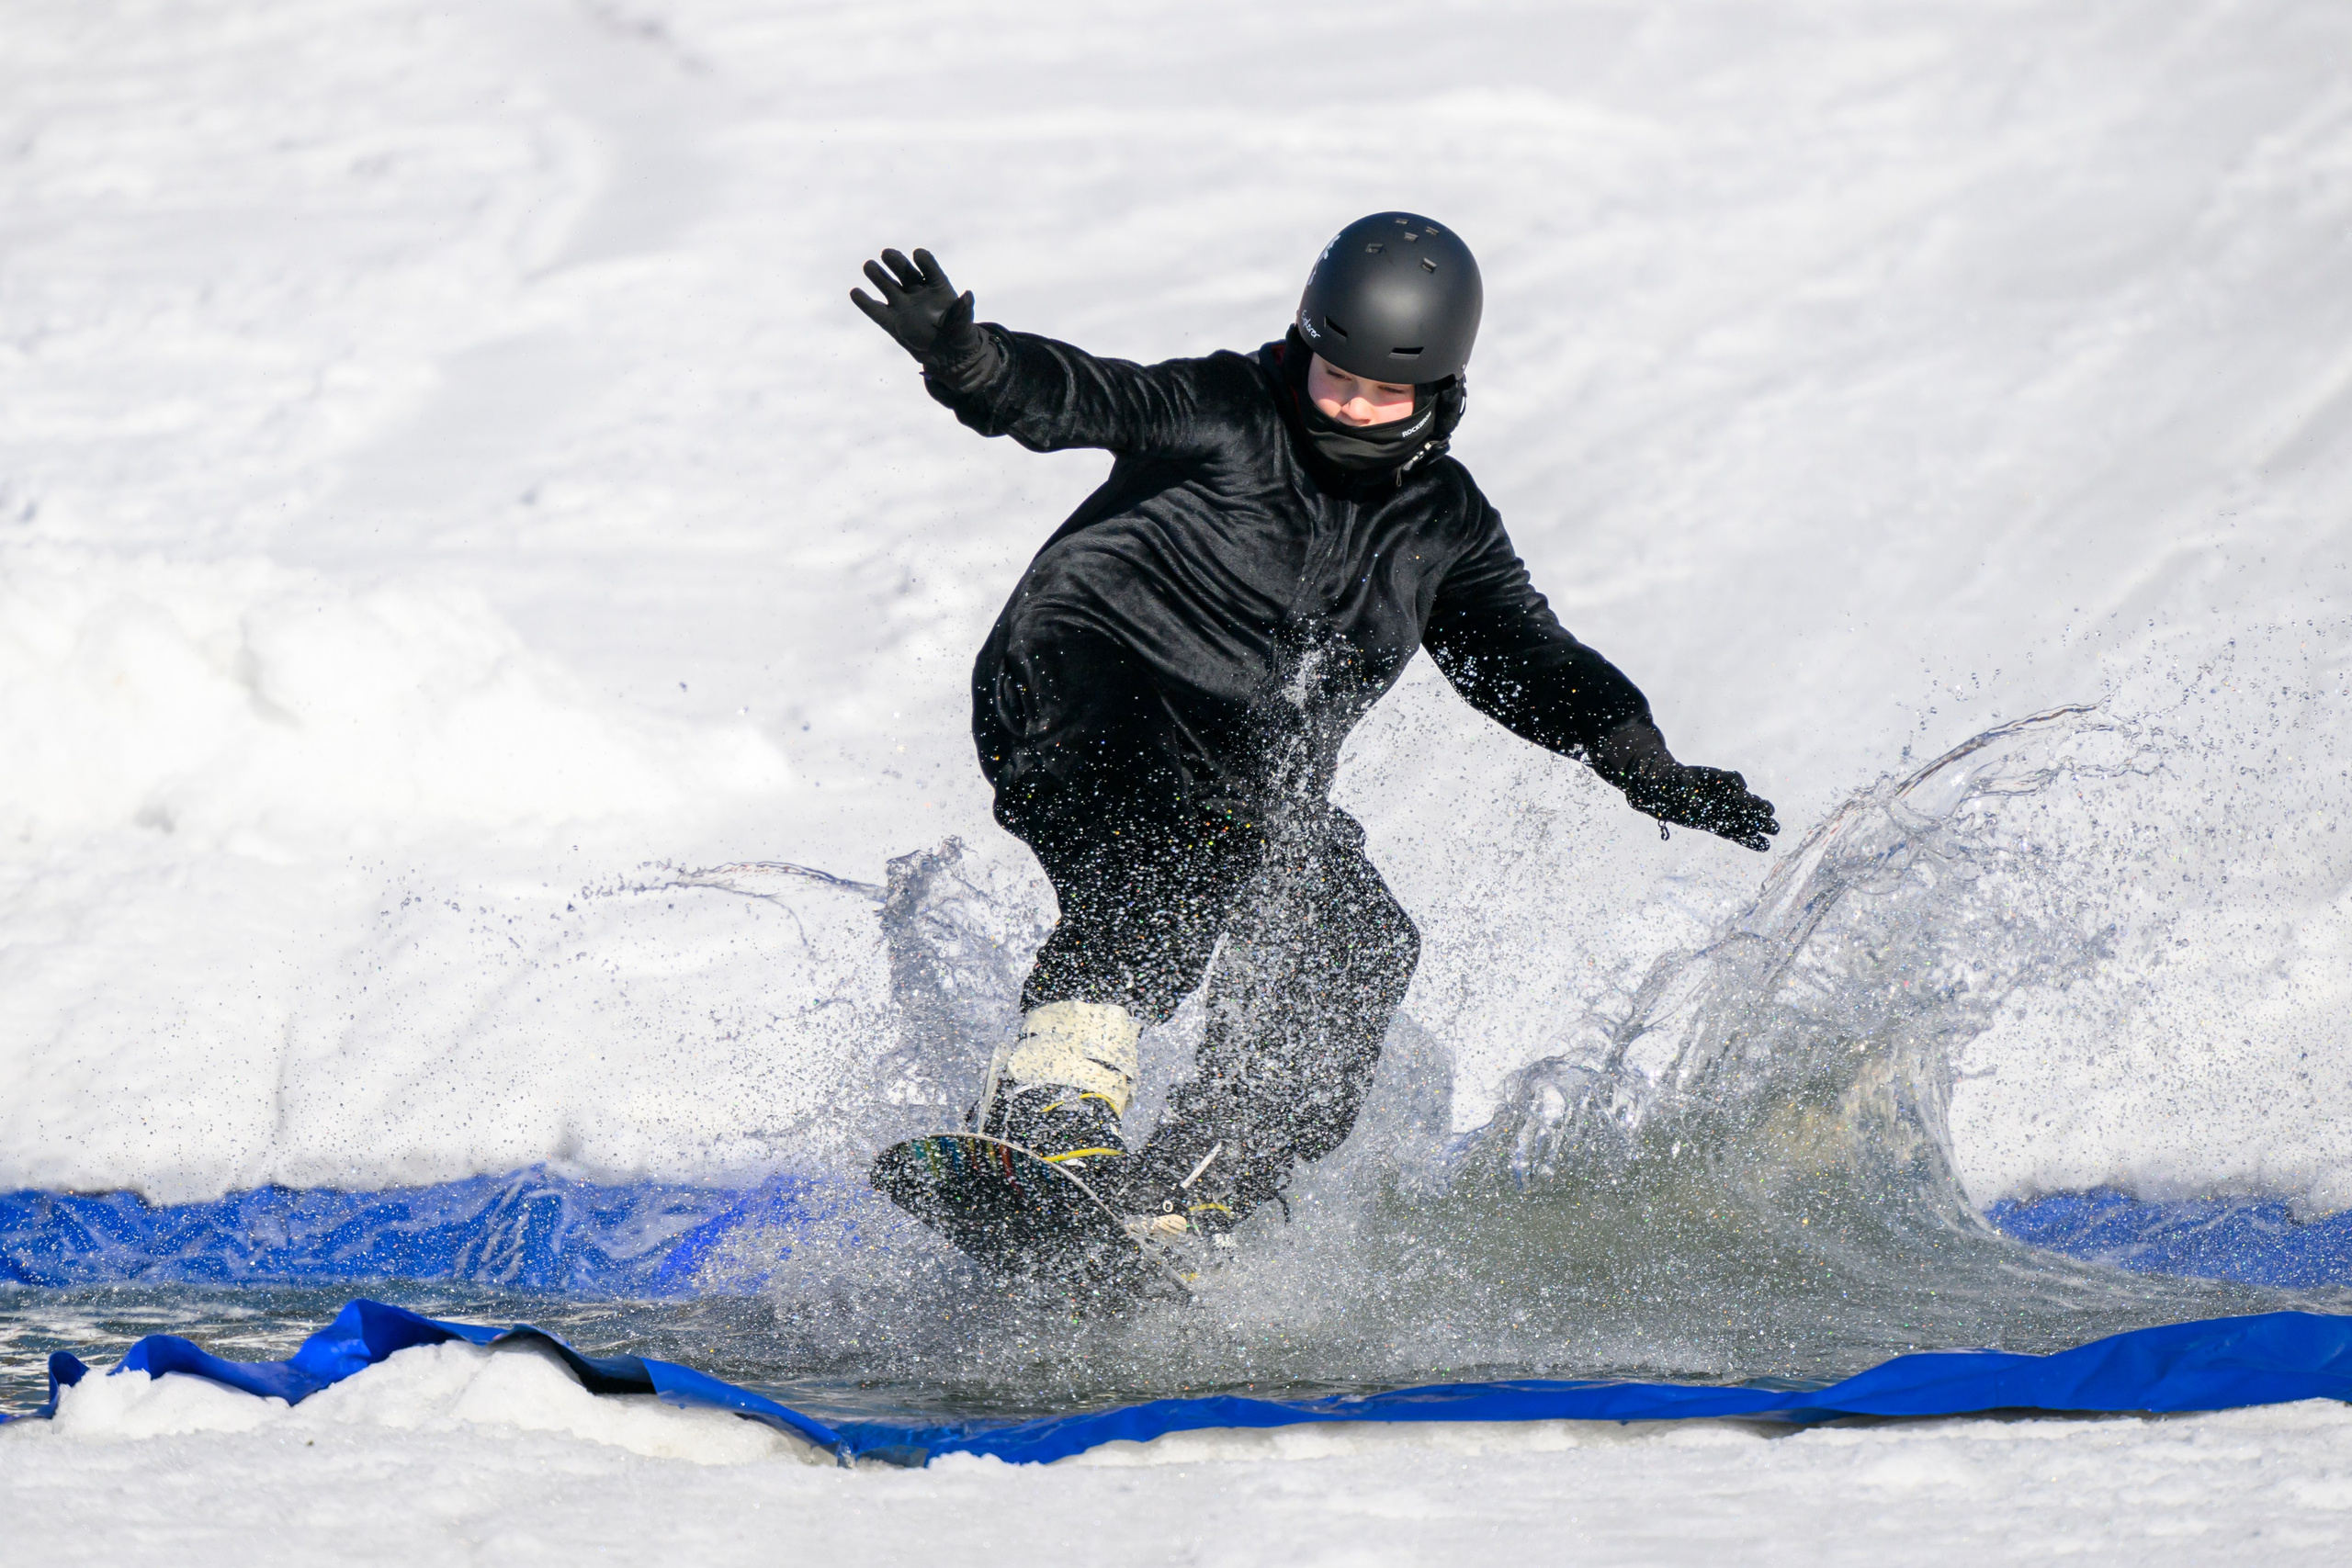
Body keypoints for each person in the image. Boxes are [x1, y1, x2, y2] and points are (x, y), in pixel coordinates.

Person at [852, 212, 1776, 1241]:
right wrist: (967, 358)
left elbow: (1527, 658)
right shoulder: (1227, 408)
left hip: (1242, 772)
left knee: (1355, 942)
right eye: (1337, 374)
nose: (1353, 405)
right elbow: (1079, 395)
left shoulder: (1441, 523)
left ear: (1442, 393)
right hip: (1081, 684)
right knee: (1175, 842)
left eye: (1389, 392)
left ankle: (1188, 1196)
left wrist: (1640, 762)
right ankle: (1049, 1100)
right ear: (1302, 340)